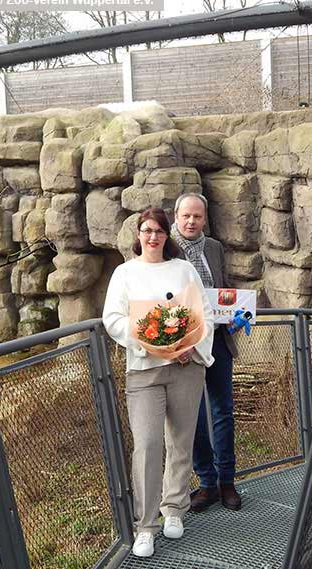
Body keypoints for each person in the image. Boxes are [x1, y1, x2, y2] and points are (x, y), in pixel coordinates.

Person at [102, 207, 215, 558]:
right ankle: (145, 525)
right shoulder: (124, 273)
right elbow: (113, 319)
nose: (153, 237)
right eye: (147, 231)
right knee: (148, 444)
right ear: (138, 234)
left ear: (168, 236)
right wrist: (150, 343)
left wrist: (189, 346)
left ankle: (174, 508)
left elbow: (204, 313)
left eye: (159, 231)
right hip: (144, 371)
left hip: (186, 368)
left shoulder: (183, 270)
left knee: (180, 441)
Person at [172, 193, 242, 512]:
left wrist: (236, 315)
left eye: (197, 217)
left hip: (217, 340)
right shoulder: (166, 250)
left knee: (223, 411)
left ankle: (227, 481)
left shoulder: (214, 247)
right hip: (185, 347)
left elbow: (222, 289)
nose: (191, 222)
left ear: (204, 219)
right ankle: (207, 482)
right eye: (186, 216)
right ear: (176, 216)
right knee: (193, 416)